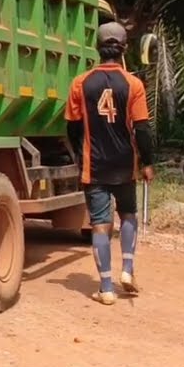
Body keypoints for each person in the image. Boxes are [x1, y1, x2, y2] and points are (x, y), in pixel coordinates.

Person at [65, 22, 155, 305]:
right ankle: (127, 269)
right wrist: (147, 162)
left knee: (100, 226)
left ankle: (105, 288)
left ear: (98, 49)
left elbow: (72, 127)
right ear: (124, 49)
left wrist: (80, 154)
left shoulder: (81, 83)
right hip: (125, 164)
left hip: (95, 165)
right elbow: (142, 128)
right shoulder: (133, 84)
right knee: (127, 215)